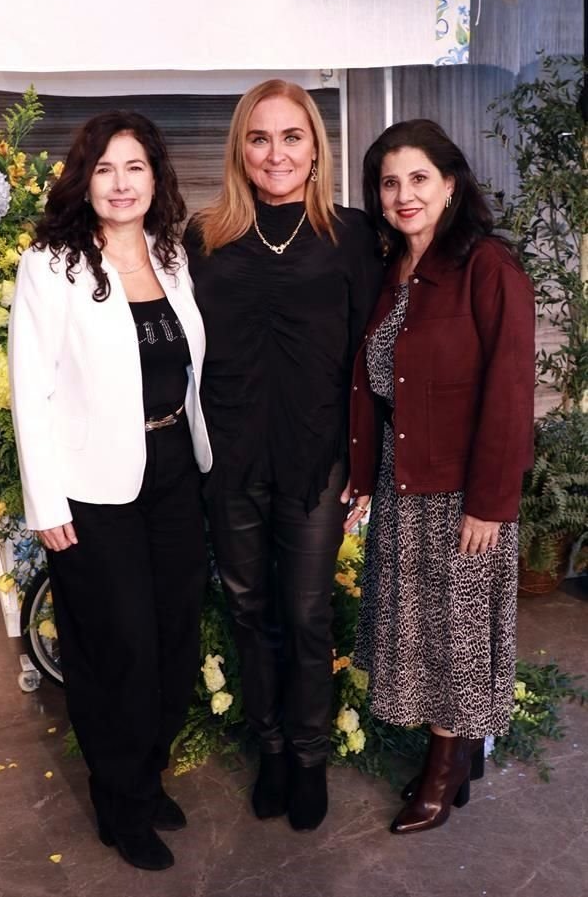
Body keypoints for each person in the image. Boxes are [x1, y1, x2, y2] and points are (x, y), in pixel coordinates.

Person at [8, 111, 212, 871]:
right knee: (116, 644)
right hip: (93, 487)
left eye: (135, 167)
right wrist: (47, 502)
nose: (121, 183)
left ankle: (146, 772)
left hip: (172, 470)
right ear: (83, 179)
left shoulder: (171, 255)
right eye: (104, 168)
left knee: (173, 635)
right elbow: (33, 390)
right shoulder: (50, 265)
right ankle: (118, 799)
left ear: (155, 176)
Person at [184, 79, 381, 831]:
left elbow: (369, 354)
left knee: (303, 612)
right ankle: (267, 746)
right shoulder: (205, 236)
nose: (276, 153)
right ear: (240, 147)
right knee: (249, 607)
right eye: (260, 137)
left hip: (316, 456)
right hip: (228, 458)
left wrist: (366, 464)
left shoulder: (352, 234)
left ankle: (307, 754)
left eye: (291, 136)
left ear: (315, 146)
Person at [345, 118, 535, 835]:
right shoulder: (391, 270)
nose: (403, 194)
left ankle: (444, 770)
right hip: (402, 478)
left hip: (463, 490)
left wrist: (490, 501)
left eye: (419, 178)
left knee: (455, 634)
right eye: (390, 182)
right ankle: (445, 756)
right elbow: (375, 384)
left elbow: (511, 392)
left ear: (451, 184)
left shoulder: (488, 267)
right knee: (420, 627)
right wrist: (364, 475)